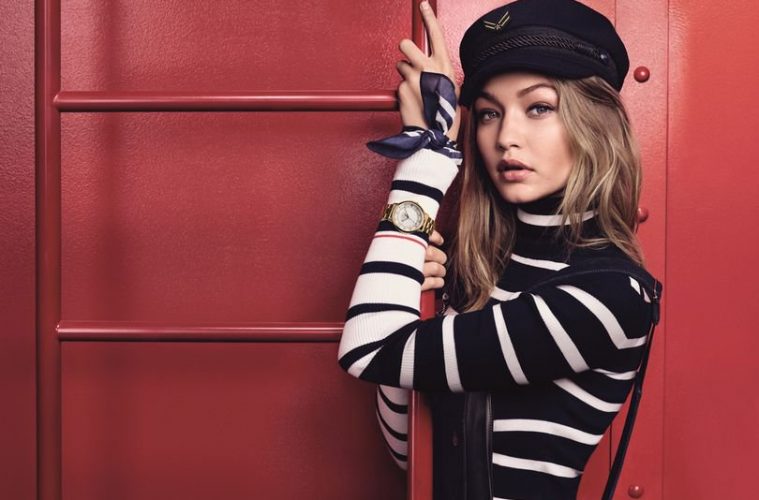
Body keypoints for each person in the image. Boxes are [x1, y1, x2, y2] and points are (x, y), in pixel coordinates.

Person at [337, 0, 663, 498]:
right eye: (489, 113)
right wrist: (407, 291)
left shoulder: (608, 296)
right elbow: (409, 450)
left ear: (595, 123)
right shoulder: (474, 271)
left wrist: (425, 156)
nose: (506, 137)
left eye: (539, 108)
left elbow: (369, 349)